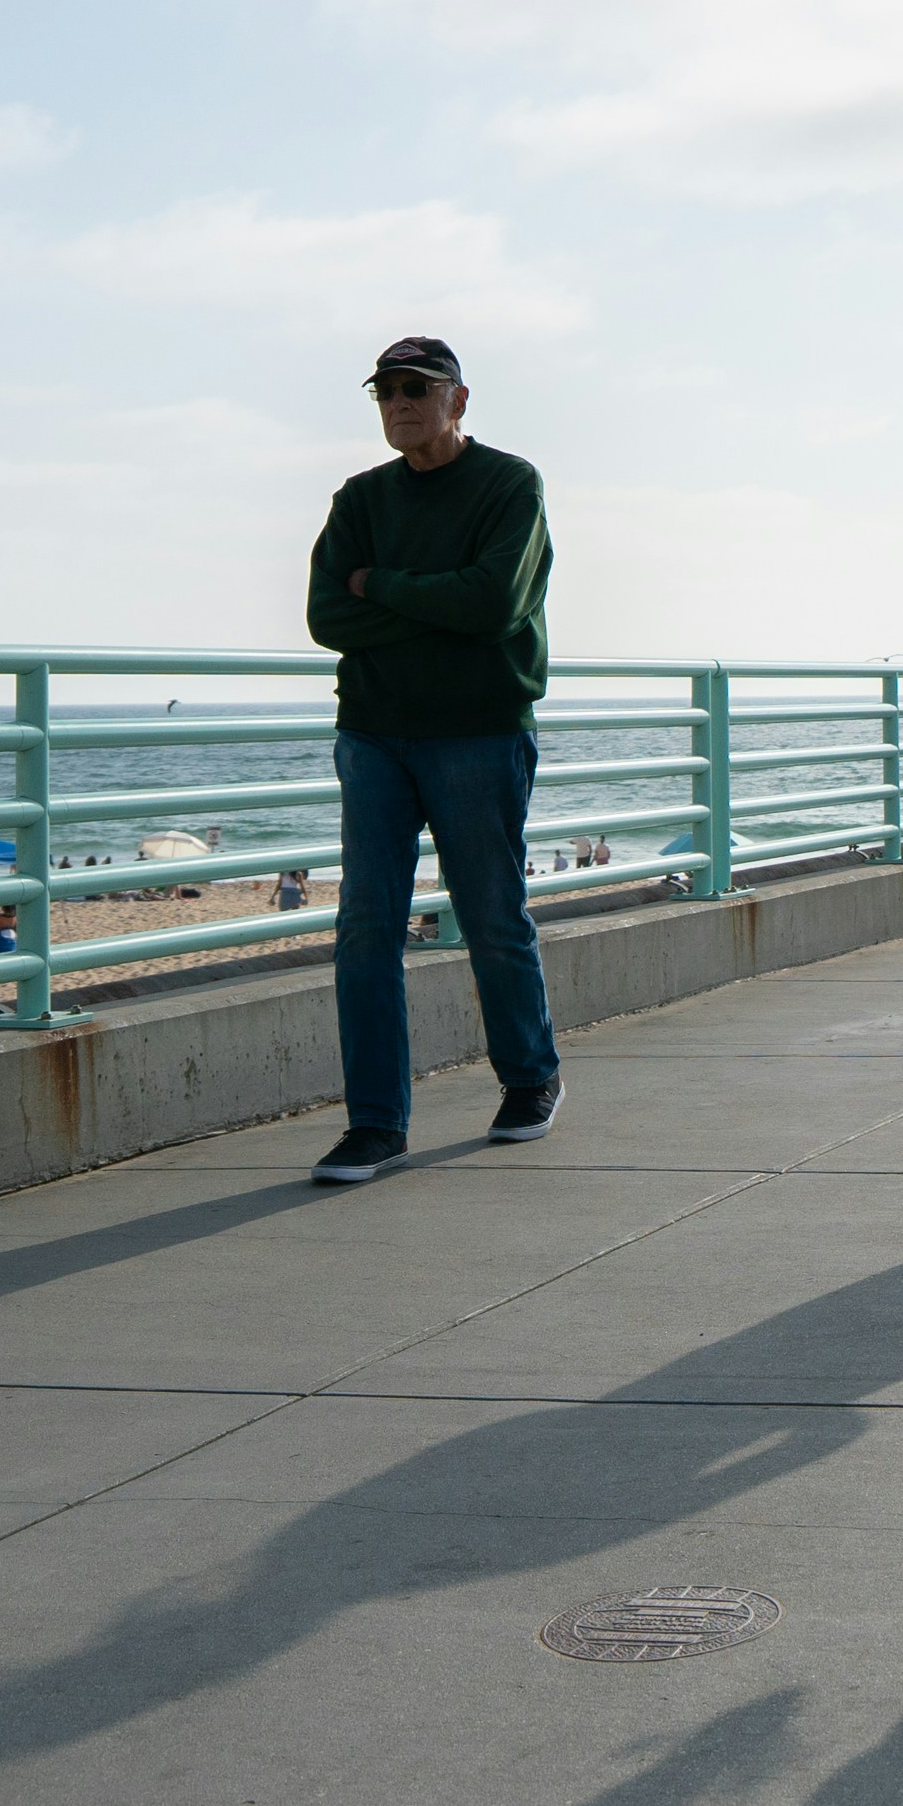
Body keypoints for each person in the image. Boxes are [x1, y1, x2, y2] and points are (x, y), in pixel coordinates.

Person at [302, 334, 559, 1185]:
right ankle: (375, 1125)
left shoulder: (508, 484)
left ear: (458, 399)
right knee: (365, 928)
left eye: (418, 387)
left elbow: (493, 604)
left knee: (490, 915)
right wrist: (432, 599)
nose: (399, 402)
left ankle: (529, 1076)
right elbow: (326, 619)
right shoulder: (360, 499)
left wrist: (385, 586)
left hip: (479, 728)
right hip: (373, 732)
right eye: (385, 391)